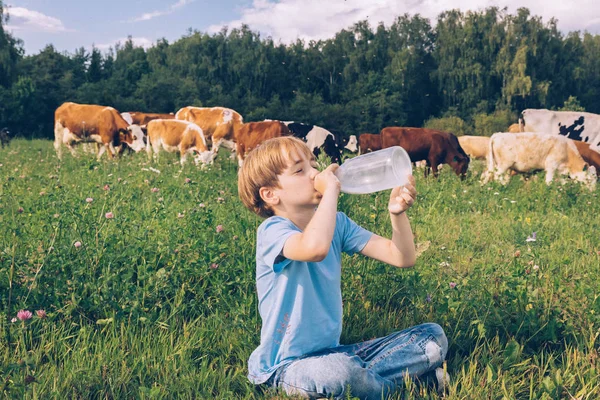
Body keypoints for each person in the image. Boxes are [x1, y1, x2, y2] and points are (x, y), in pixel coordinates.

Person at [238, 137, 449, 399]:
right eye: (300, 170)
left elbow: (402, 257)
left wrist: (397, 213)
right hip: (284, 367)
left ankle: (365, 381)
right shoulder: (272, 232)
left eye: (313, 164)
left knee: (432, 337)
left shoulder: (338, 223)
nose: (315, 173)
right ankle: (412, 389)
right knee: (339, 373)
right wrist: (330, 193)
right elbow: (314, 248)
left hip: (334, 353)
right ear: (271, 194)